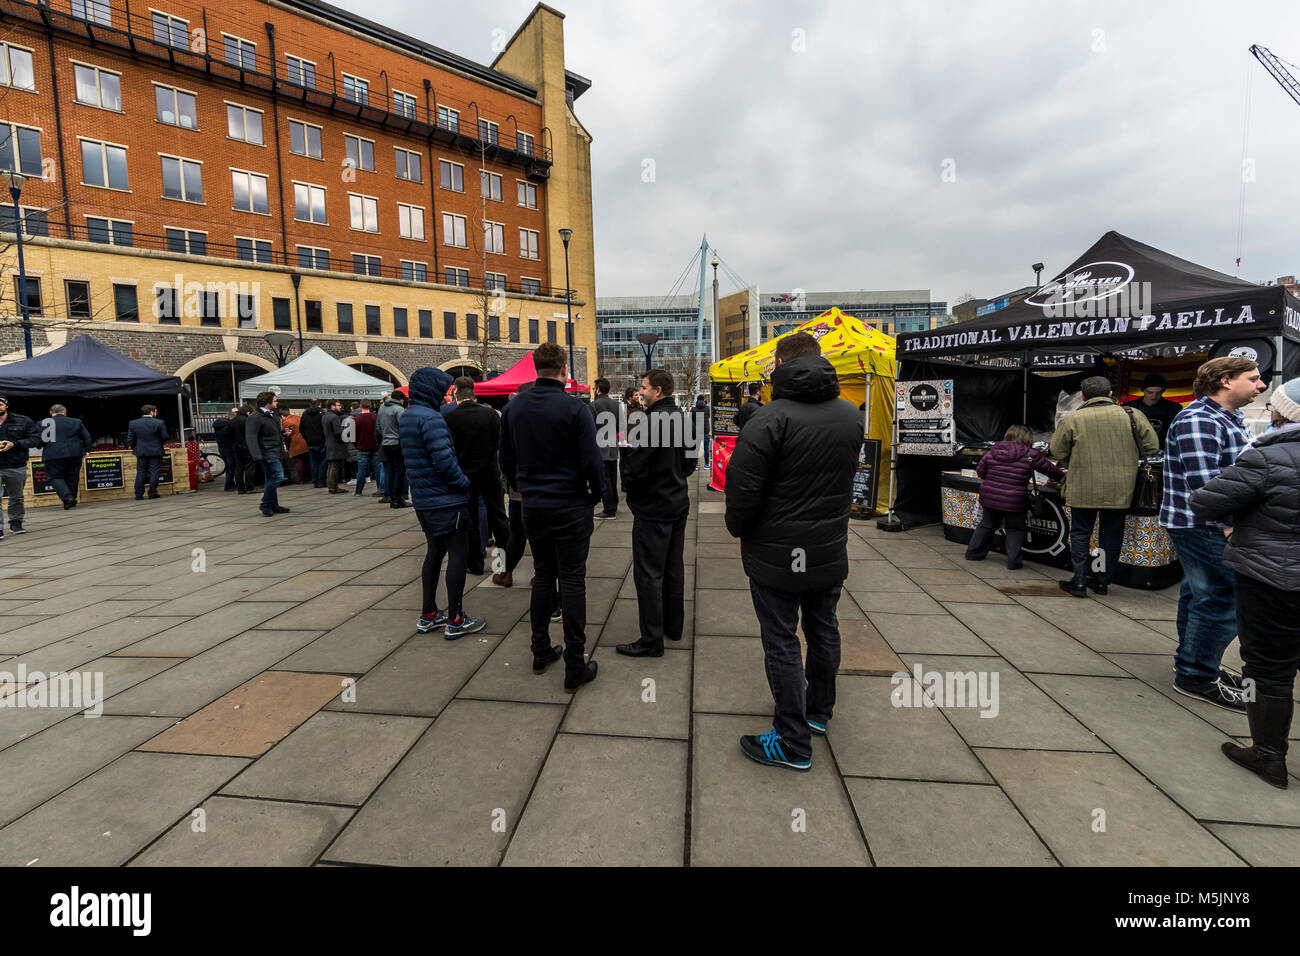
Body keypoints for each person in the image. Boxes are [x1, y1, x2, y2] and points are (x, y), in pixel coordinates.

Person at [724, 332, 863, 772]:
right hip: (826, 546)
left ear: (781, 363)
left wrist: (739, 530)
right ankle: (818, 712)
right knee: (824, 627)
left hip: (777, 551)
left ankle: (790, 740)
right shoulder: (850, 415)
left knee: (781, 638)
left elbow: (742, 492)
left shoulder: (768, 420)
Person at [1190, 375, 1300, 788]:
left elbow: (1205, 500)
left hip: (1273, 578)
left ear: (1280, 412)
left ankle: (1267, 754)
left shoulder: (1270, 457)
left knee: (1267, 667)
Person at [1161, 356, 1267, 711]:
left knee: (1199, 594)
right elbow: (1206, 487)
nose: (1261, 385)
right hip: (1202, 526)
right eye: (1253, 379)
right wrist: (1228, 526)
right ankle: (1195, 673)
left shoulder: (1224, 418)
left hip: (1208, 524)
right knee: (1223, 598)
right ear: (1225, 380)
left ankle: (1194, 663)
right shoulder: (1199, 419)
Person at [500, 342, 603, 691]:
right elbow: (592, 460)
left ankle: (540, 650)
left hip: (534, 505)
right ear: (563, 370)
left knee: (544, 575)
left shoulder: (515, 408)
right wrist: (597, 493)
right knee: (573, 580)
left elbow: (506, 457)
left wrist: (520, 485)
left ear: (534, 368)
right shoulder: (575, 409)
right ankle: (575, 663)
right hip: (571, 503)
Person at [1049, 375, 1157, 599]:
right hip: (1121, 488)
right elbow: (1152, 446)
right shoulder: (1132, 415)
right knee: (1111, 535)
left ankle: (1079, 581)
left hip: (1082, 487)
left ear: (1082, 396)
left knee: (1080, 533)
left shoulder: (1073, 419)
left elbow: (1057, 452)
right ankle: (1102, 582)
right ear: (1110, 394)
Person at [400, 367, 485, 640]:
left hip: (424, 500)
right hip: (446, 499)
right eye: (443, 388)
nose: (447, 393)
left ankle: (428, 614)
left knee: (434, 553)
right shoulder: (432, 419)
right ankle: (456, 618)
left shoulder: (408, 416)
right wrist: (463, 483)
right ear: (431, 390)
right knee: (457, 554)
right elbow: (444, 463)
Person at [617, 368, 696, 657]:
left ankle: (651, 639)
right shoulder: (682, 419)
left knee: (649, 574)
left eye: (644, 387)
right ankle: (673, 626)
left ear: (658, 391)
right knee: (673, 568)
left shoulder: (651, 423)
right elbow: (690, 464)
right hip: (676, 503)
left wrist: (634, 492)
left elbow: (634, 470)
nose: (640, 392)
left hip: (654, 508)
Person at [965, 424, 1065, 569]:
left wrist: (994, 480)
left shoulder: (993, 451)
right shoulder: (1031, 454)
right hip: (1014, 499)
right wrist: (1063, 477)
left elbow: (980, 472)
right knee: (1015, 529)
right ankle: (1014, 562)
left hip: (989, 496)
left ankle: (973, 554)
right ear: (1027, 438)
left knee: (986, 525)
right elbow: (1050, 469)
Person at [445, 377, 511, 576]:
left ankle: (474, 563)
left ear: (456, 391)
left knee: (470, 520)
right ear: (474, 393)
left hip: (465, 475)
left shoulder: (450, 418)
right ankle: (503, 565)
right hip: (490, 472)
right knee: (498, 518)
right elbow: (501, 445)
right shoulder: (491, 414)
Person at [0, 394, 42, 536]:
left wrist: (15, 444)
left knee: (16, 496)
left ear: (6, 405)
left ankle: (16, 523)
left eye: (0, 404)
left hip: (16, 465)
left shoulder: (23, 421)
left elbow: (35, 439)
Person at [40, 404, 93, 510]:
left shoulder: (45, 423)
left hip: (53, 454)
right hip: (75, 453)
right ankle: (71, 499)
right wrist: (87, 450)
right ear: (65, 412)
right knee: (73, 477)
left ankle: (68, 498)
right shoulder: (76, 422)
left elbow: (41, 440)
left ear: (51, 413)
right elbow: (87, 437)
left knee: (55, 477)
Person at [247, 391, 289, 517]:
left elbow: (267, 432)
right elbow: (251, 437)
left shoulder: (271, 415)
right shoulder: (255, 417)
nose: (277, 402)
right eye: (275, 400)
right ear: (267, 402)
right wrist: (256, 455)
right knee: (278, 476)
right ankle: (265, 503)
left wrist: (281, 433)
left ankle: (273, 505)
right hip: (266, 452)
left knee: (271, 478)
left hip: (274, 451)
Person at [588, 377, 622, 519]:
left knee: (605, 480)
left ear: (598, 389)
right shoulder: (616, 405)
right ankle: (613, 505)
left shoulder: (593, 405)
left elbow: (590, 428)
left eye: (594, 388)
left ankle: (609, 510)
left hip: (600, 448)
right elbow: (621, 425)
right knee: (612, 479)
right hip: (613, 447)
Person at [1123, 373, 1184, 448]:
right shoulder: (1129, 407)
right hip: (1136, 451)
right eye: (1150, 392)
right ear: (1143, 390)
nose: (1154, 396)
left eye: (1158, 393)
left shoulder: (1174, 408)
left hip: (1165, 449)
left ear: (1163, 391)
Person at [126, 404, 169, 501]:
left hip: (140, 451)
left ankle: (138, 494)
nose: (156, 413)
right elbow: (165, 437)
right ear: (151, 412)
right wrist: (158, 442)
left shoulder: (133, 423)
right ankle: (152, 493)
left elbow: (130, 439)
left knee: (141, 472)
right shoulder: (159, 423)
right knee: (154, 472)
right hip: (156, 451)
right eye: (156, 411)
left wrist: (135, 448)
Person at [377, 391, 408, 507]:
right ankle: (397, 498)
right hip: (397, 443)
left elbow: (378, 427)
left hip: (386, 443)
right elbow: (403, 427)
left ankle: (390, 496)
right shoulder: (399, 409)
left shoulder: (382, 409)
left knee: (390, 470)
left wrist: (385, 436)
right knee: (400, 471)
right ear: (401, 400)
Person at [352, 399, 380, 496]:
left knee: (361, 471)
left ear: (360, 407)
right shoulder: (375, 417)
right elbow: (379, 431)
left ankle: (358, 491)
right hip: (375, 447)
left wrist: (357, 444)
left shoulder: (356, 419)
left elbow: (352, 436)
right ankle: (380, 489)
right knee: (377, 469)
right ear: (370, 406)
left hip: (361, 448)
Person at [299, 398, 328, 488]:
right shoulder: (323, 413)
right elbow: (325, 427)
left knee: (313, 462)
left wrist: (307, 438)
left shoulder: (304, 414)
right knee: (323, 461)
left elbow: (301, 429)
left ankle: (315, 480)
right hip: (322, 441)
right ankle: (321, 480)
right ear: (319, 404)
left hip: (310, 442)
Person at [322, 399, 348, 493]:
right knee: (334, 466)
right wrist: (346, 431)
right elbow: (338, 432)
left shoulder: (325, 416)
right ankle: (333, 487)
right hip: (336, 445)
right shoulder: (334, 417)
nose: (340, 407)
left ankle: (331, 486)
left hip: (329, 443)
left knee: (330, 466)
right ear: (332, 406)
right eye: (338, 405)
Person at [232, 404, 256, 493]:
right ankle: (250, 487)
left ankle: (240, 489)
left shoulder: (233, 421)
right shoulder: (247, 421)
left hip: (236, 447)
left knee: (238, 468)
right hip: (247, 447)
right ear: (248, 412)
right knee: (249, 467)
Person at [212, 408, 238, 492]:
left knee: (228, 467)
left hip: (222, 448)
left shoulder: (218, 425)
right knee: (231, 468)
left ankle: (231, 483)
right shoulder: (228, 426)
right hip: (229, 449)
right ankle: (228, 485)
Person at [692, 393, 710, 467]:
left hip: (696, 431)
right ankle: (706, 464)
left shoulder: (693, 409)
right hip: (705, 431)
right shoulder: (707, 408)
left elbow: (691, 421)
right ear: (703, 400)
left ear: (697, 400)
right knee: (706, 448)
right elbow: (708, 416)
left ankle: (696, 465)